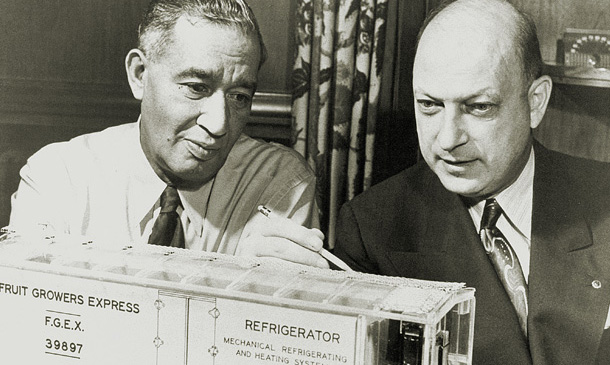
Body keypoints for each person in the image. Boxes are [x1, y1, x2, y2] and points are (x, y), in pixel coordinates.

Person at [334, 0, 610, 363]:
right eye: (430, 105)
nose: (448, 139)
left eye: (478, 107)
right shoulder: (372, 228)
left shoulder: (603, 199)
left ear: (536, 102)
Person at [9, 0, 329, 269]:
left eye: (239, 96)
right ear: (139, 75)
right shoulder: (58, 177)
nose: (219, 125)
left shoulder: (279, 184)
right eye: (195, 88)